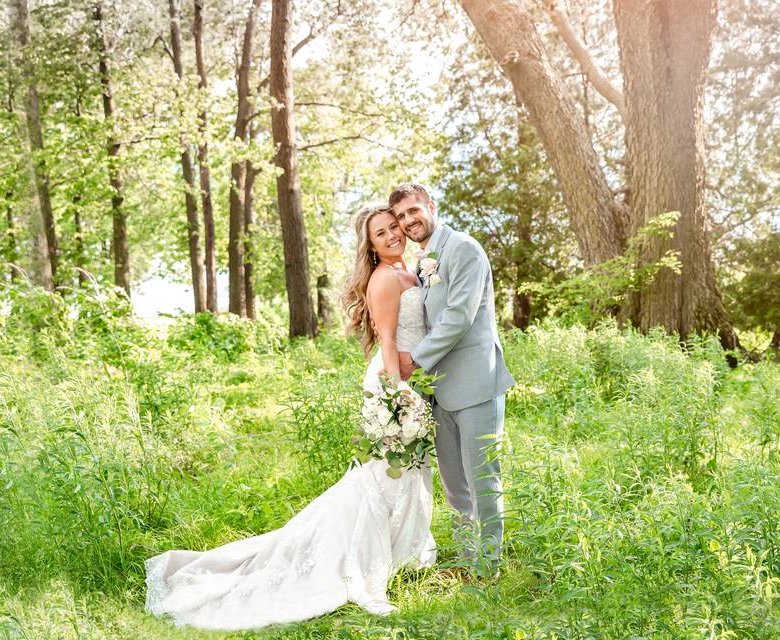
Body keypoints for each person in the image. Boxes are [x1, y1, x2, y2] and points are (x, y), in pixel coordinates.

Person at [143, 204, 435, 631]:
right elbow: (387, 340)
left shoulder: (411, 270)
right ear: (369, 246)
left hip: (407, 382)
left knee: (405, 473)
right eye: (381, 233)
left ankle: (403, 552)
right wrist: (397, 397)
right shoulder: (387, 278)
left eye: (394, 227)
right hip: (393, 385)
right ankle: (368, 558)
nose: (393, 234)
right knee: (387, 474)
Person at [389, 183, 515, 577]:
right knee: (454, 485)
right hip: (438, 391)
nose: (409, 221)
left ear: (431, 205)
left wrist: (414, 360)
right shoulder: (424, 261)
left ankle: (489, 566)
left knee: (483, 479)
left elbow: (459, 316)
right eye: (401, 217)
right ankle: (466, 558)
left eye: (413, 211)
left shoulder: (463, 248)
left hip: (476, 382)